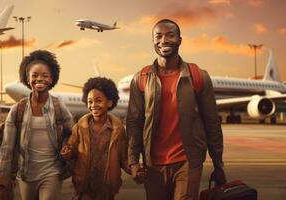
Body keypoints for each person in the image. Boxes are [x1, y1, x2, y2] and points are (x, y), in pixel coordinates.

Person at [126, 19, 226, 200]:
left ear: (180, 40)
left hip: (188, 162)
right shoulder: (140, 78)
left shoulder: (198, 76)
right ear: (153, 41)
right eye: (158, 36)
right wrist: (133, 161)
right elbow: (134, 122)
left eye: (170, 35)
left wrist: (218, 164)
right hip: (152, 164)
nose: (164, 40)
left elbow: (212, 121)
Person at [0, 50, 73, 200]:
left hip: (52, 172)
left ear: (51, 79)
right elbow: (7, 148)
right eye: (34, 75)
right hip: (25, 174)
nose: (39, 79)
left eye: (44, 75)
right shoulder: (17, 110)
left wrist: (67, 146)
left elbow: (72, 134)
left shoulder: (59, 107)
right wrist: (1, 180)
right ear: (27, 79)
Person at [61, 77, 130, 200]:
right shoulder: (79, 128)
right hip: (84, 187)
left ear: (109, 102)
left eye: (98, 101)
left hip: (107, 189)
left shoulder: (118, 130)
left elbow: (123, 157)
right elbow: (72, 148)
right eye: (90, 101)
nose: (93, 105)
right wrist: (68, 152)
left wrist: (134, 169)